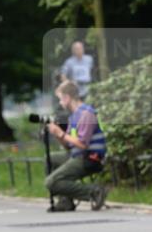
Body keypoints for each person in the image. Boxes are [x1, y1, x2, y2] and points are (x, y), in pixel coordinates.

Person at [45, 80, 107, 211]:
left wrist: (61, 134)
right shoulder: (73, 116)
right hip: (77, 154)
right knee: (50, 159)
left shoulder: (86, 114)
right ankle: (65, 201)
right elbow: (69, 145)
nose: (60, 103)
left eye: (60, 99)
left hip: (90, 158)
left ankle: (94, 191)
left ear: (67, 98)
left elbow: (83, 144)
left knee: (51, 182)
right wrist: (56, 133)